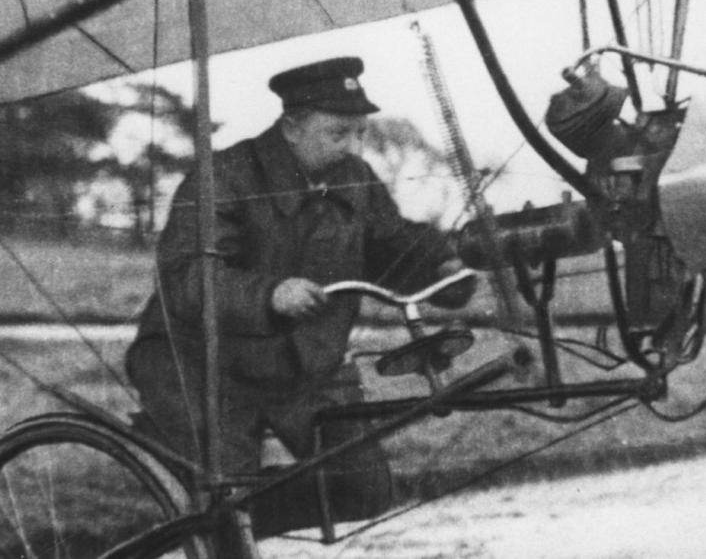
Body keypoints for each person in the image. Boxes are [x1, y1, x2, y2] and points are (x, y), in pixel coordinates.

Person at [125, 56, 470, 536]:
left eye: (359, 133)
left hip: (301, 365)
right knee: (228, 492)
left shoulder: (355, 177)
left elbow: (390, 244)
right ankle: (225, 524)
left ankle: (221, 526)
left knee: (365, 489)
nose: (353, 147)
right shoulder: (223, 176)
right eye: (338, 134)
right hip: (202, 364)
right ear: (291, 127)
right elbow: (186, 277)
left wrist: (443, 265)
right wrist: (269, 295)